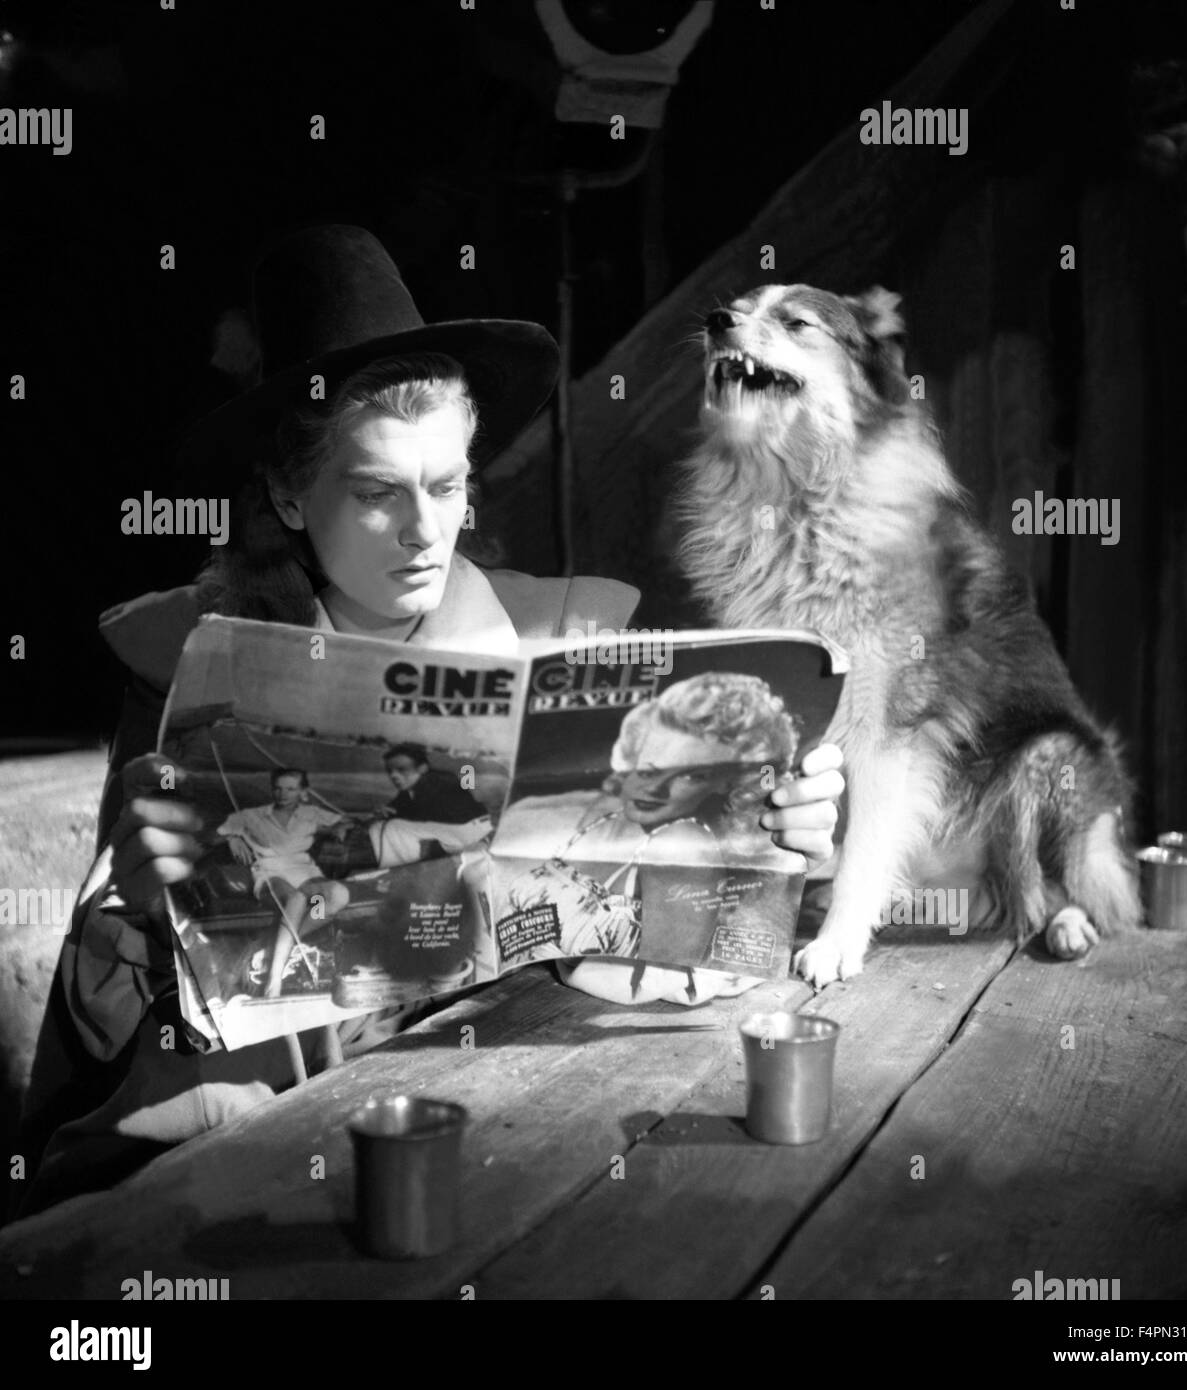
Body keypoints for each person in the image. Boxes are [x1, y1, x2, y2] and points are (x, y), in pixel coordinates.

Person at [15, 225, 845, 1217]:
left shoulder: (558, 643)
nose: (422, 530)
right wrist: (148, 903)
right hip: (261, 1143)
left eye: (445, 485)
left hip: (500, 1121)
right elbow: (111, 1031)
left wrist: (777, 844)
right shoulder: (192, 666)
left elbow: (662, 938)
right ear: (286, 490)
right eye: (376, 492)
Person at [497, 672, 804, 988]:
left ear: (726, 783)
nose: (655, 789)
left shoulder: (683, 843)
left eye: (692, 776)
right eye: (650, 768)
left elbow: (655, 985)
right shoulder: (594, 813)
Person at [211, 768, 352, 999]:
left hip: (307, 875)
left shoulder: (312, 813)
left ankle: (276, 948)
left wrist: (339, 829)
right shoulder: (250, 815)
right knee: (296, 899)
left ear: (302, 792)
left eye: (290, 789)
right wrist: (231, 838)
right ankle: (273, 981)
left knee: (335, 895)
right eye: (277, 788)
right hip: (271, 873)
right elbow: (211, 836)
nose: (282, 794)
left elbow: (347, 821)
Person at [366, 743, 493, 866]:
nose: (393, 775)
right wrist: (385, 811)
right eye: (390, 771)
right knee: (382, 827)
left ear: (423, 768)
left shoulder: (436, 781)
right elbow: (397, 808)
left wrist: (392, 816)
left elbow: (424, 813)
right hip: (462, 829)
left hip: (472, 830)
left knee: (392, 827)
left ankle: (403, 869)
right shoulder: (412, 788)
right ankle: (402, 867)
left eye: (401, 769)